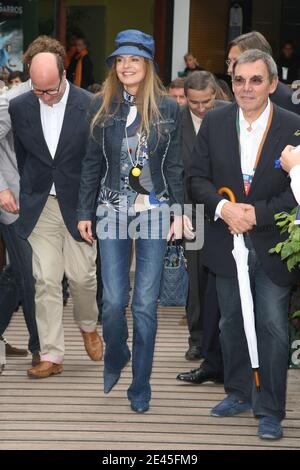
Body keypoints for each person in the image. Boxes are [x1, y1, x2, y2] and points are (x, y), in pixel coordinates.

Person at [188, 49, 300, 440]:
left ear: (272, 83)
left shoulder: (294, 126)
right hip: (225, 240)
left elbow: (296, 190)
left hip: (273, 245)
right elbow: (196, 179)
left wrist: (258, 214)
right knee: (230, 321)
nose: (246, 88)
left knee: (271, 326)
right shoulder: (215, 121)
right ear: (230, 82)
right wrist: (224, 208)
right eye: (239, 80)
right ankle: (238, 392)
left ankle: (270, 409)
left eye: (256, 80)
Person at [77, 29, 190, 413]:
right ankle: (117, 353)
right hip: (110, 210)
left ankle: (140, 386)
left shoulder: (169, 108)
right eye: (120, 60)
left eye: (134, 60)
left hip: (155, 212)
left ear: (148, 65)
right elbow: (91, 164)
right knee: (112, 302)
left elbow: (174, 166)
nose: (126, 66)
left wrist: (181, 213)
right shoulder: (101, 106)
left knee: (144, 303)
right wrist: (83, 213)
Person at [9, 48, 102, 379]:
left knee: (82, 277)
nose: (44, 96)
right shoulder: (19, 106)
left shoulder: (90, 104)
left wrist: (90, 207)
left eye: (49, 89)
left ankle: (88, 325)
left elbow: (97, 160)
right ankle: (51, 354)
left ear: (64, 76)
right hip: (39, 204)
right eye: (37, 89)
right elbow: (16, 153)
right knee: (45, 279)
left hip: (79, 205)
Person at [0, 36, 72, 367]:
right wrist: (1, 188)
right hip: (15, 201)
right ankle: (39, 347)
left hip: (47, 203)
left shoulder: (68, 98)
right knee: (31, 275)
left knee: (19, 274)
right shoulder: (12, 101)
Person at [178, 71, 229, 362]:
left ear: (215, 95)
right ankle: (197, 339)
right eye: (194, 102)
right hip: (190, 210)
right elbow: (172, 169)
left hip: (225, 207)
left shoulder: (228, 114)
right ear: (186, 98)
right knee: (196, 278)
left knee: (222, 276)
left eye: (206, 102)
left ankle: (220, 339)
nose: (200, 108)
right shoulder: (176, 120)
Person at [226, 31, 300, 115]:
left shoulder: (287, 100)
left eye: (236, 61)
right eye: (229, 61)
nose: (229, 69)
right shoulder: (238, 96)